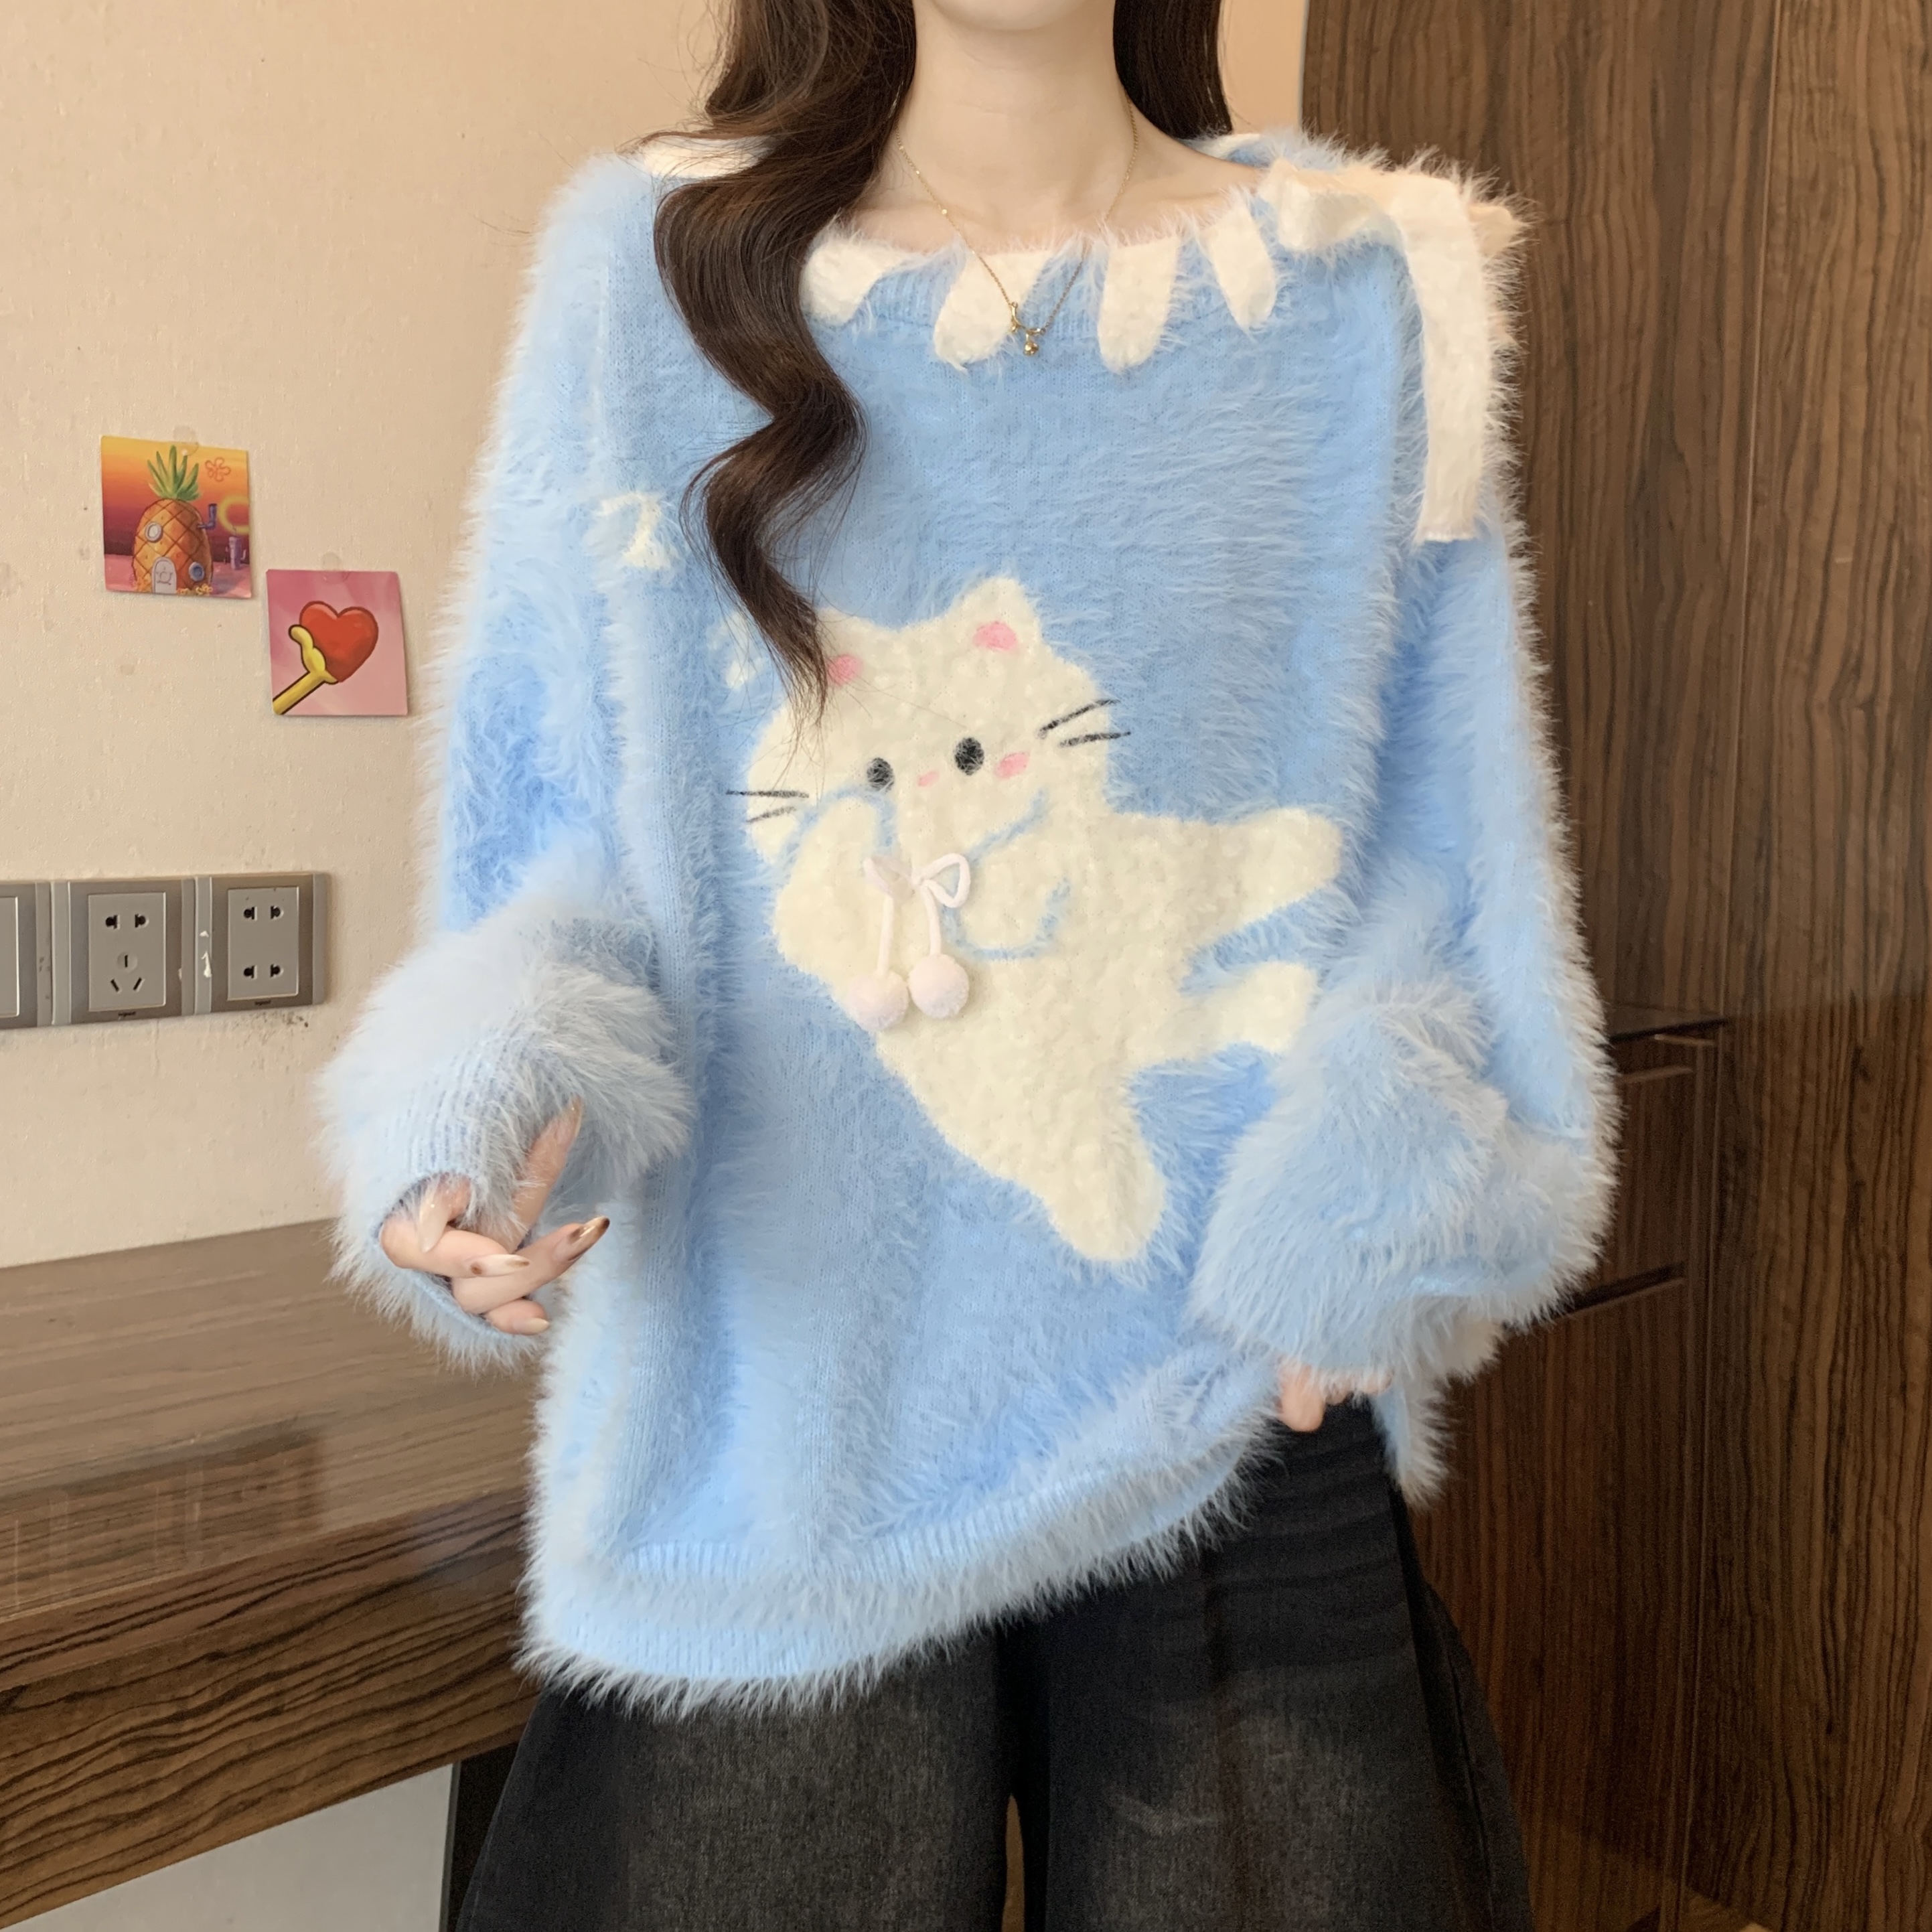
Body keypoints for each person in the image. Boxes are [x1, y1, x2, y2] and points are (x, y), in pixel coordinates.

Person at [319, 1, 1614, 1925]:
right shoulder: (654, 272)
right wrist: (496, 1089)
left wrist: (1379, 1197)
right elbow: (556, 826)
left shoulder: (1360, 284)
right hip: (786, 1375)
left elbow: (1452, 846)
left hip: (1228, 1376)